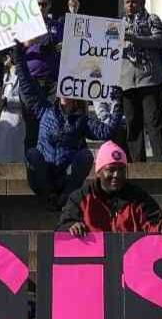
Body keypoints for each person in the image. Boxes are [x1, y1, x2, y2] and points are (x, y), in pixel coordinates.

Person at [16, 40, 122, 207]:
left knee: (86, 155)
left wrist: (117, 104)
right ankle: (49, 197)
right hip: (42, 177)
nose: (66, 91)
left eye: (71, 87)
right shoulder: (44, 109)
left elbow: (106, 131)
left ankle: (66, 197)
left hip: (66, 179)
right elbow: (26, 84)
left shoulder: (82, 120)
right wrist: (19, 55)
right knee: (32, 154)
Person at [58, 141, 162, 236]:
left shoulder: (139, 198)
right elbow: (63, 227)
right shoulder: (81, 197)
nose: (116, 175)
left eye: (121, 170)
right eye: (111, 170)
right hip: (93, 256)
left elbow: (154, 223)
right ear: (99, 172)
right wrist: (71, 227)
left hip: (131, 256)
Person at [120, 0, 162, 162]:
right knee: (133, 125)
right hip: (127, 81)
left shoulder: (152, 19)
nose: (130, 5)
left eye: (133, 1)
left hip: (149, 79)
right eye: (127, 2)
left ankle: (161, 165)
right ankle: (137, 165)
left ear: (142, 3)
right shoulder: (119, 25)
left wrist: (136, 39)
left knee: (154, 123)